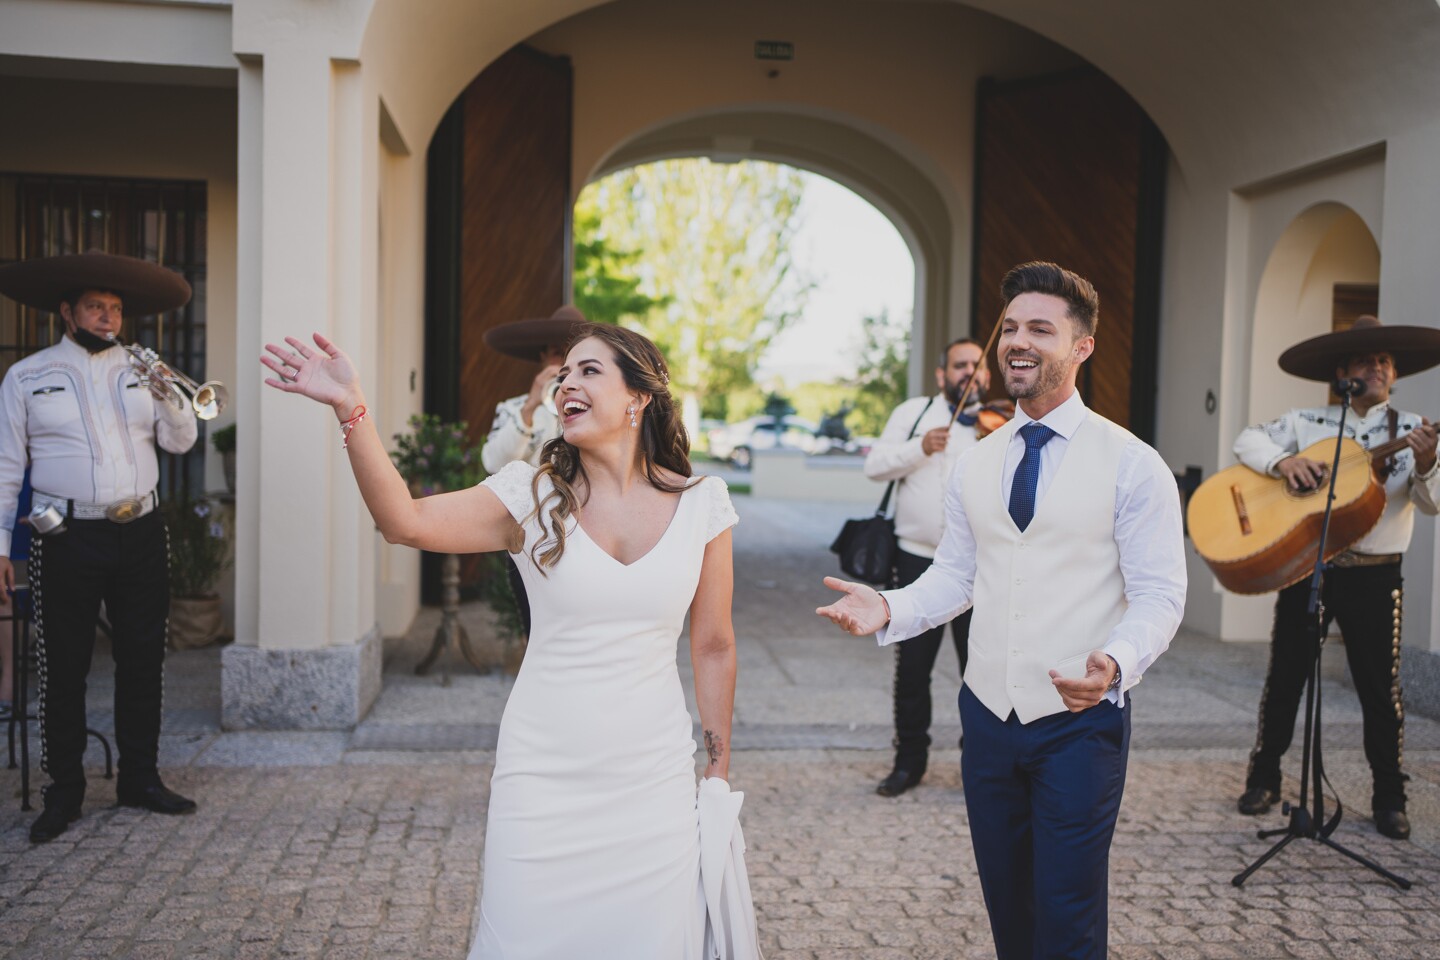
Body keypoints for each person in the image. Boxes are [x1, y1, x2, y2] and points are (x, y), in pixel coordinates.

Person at [262, 322, 760, 958]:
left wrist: (716, 774)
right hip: (542, 774)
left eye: (588, 371)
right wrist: (350, 408)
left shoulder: (702, 504)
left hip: (651, 777)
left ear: (639, 397)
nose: (566, 384)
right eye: (564, 374)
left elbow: (714, 645)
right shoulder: (529, 494)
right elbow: (403, 521)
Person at [817, 261, 1186, 960]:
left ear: (1082, 346)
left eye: (1041, 329)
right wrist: (888, 606)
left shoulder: (1133, 464)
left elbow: (1161, 594)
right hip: (987, 720)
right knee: (1009, 910)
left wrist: (1115, 663)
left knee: (1068, 916)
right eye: (1011, 327)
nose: (1018, 341)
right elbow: (957, 576)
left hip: (1079, 726)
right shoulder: (974, 462)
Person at [0, 250, 200, 844]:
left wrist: (169, 395)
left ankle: (139, 778)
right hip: (65, 535)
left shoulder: (143, 370)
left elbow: (181, 442)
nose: (108, 317)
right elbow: (6, 467)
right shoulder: (26, 376)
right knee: (64, 666)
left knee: (143, 657)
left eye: (114, 308)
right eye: (95, 306)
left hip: (141, 530)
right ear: (67, 312)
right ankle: (64, 792)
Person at [1233, 315, 1440, 841]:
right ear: (1342, 374)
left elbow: (1430, 503)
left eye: (1385, 361)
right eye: (1366, 361)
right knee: (1285, 677)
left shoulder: (1414, 428)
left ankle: (1390, 797)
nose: (1378, 368)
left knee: (1379, 690)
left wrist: (1427, 464)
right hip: (1310, 568)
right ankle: (1264, 778)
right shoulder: (1307, 421)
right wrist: (1284, 464)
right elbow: (1248, 440)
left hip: (1376, 577)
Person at [863, 338, 992, 796]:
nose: (969, 373)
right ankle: (909, 761)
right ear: (942, 374)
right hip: (917, 558)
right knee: (913, 670)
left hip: (980, 568)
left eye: (977, 365)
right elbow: (875, 466)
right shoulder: (915, 413)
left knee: (981, 671)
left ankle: (980, 764)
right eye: (960, 365)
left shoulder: (1000, 422)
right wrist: (919, 448)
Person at [480, 305, 586, 636]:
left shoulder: (593, 409)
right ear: (542, 357)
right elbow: (493, 463)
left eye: (572, 355)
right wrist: (530, 405)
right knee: (537, 632)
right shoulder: (513, 408)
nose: (563, 363)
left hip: (587, 532)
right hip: (532, 537)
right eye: (556, 353)